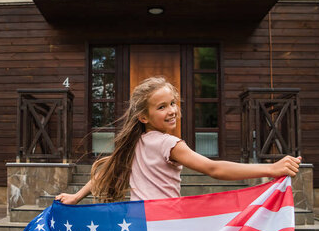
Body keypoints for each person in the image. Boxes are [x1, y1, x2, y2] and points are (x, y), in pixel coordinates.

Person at [56, 76, 301, 204]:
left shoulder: (136, 143)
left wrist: (76, 197)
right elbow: (212, 168)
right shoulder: (167, 144)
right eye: (161, 107)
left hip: (140, 222)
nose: (172, 110)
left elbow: (106, 170)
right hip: (165, 222)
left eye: (173, 103)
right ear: (143, 116)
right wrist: (271, 168)